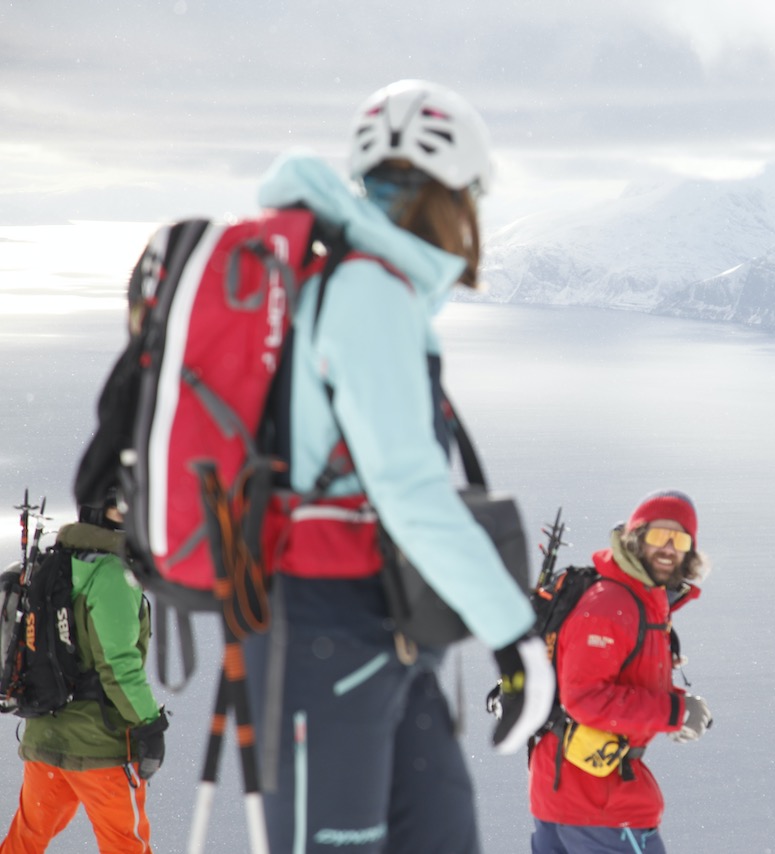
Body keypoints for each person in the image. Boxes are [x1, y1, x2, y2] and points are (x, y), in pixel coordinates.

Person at [240, 80, 554, 854]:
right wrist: (515, 637)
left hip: (376, 626)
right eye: (473, 196)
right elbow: (408, 490)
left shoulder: (361, 284)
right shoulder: (367, 293)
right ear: (448, 195)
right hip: (326, 625)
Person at [529, 490, 712, 854]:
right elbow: (585, 699)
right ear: (636, 538)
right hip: (598, 804)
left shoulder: (642, 600)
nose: (668, 548)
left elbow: (619, 686)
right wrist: (673, 712)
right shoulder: (611, 605)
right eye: (659, 535)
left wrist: (677, 706)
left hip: (565, 791)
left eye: (680, 539)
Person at [0, 500, 168, 854]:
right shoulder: (113, 576)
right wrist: (150, 724)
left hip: (44, 739)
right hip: (101, 750)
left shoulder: (56, 562)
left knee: (25, 842)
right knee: (126, 847)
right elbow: (119, 666)